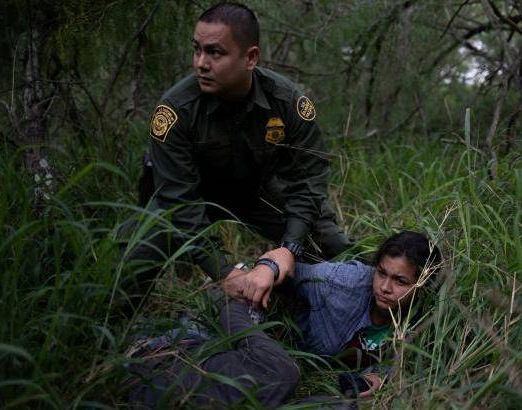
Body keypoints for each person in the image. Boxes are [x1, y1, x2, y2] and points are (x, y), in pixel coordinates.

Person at [122, 2, 352, 305]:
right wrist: (224, 271)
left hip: (257, 192)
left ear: (251, 57)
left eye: (215, 52)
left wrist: (289, 248)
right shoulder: (176, 110)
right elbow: (178, 201)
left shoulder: (286, 101)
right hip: (190, 197)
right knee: (133, 257)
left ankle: (345, 307)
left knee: (331, 243)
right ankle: (116, 336)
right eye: (197, 50)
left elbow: (308, 179)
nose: (201, 63)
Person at [126, 231, 442, 407]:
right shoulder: (341, 282)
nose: (384, 287)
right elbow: (274, 272)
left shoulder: (424, 321)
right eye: (382, 273)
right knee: (281, 373)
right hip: (243, 307)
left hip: (273, 350)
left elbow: (395, 363)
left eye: (400, 281)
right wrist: (271, 266)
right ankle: (145, 373)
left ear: (423, 283)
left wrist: (379, 377)